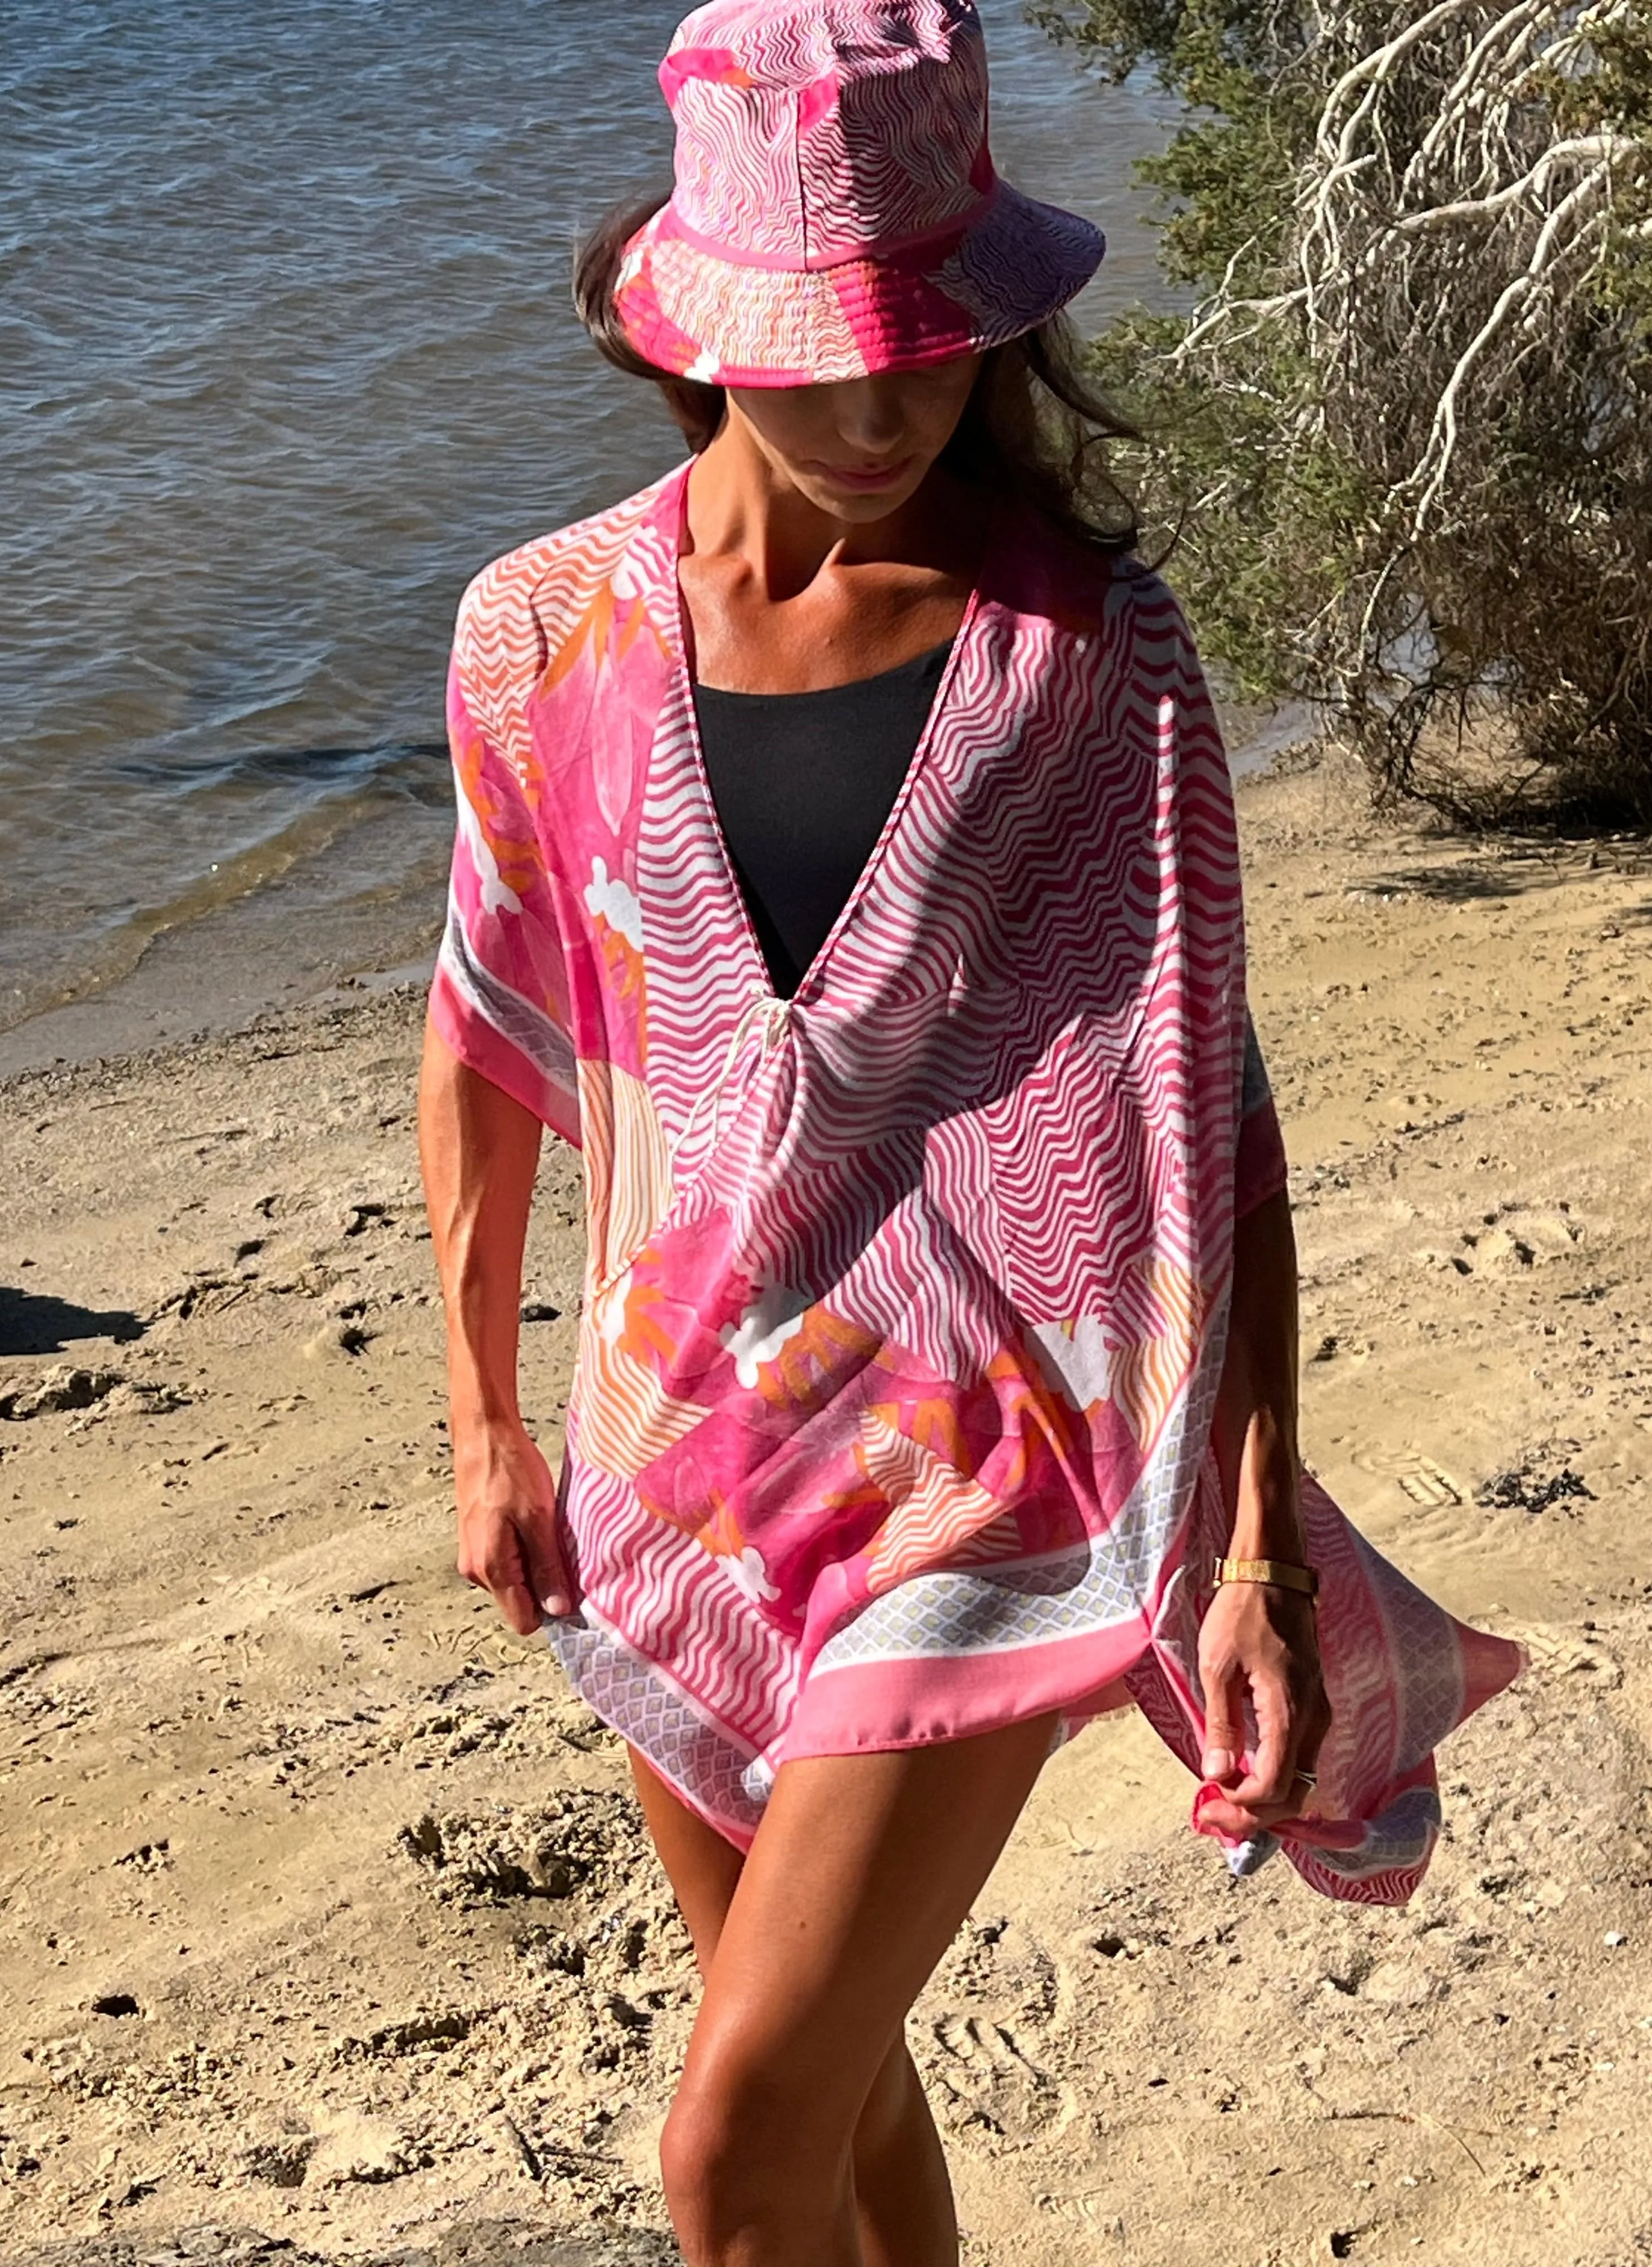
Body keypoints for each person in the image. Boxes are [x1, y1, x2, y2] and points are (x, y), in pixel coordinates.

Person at [418, 5, 1522, 2260]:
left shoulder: (1086, 659)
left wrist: (1253, 1560)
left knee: (729, 2152)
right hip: (676, 1457)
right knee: (831, 2099)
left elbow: (1208, 1128)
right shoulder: (542, 634)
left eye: (932, 337)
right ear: (696, 318)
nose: (884, 396)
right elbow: (486, 1031)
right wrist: (481, 1423)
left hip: (985, 1475)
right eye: (825, 349)